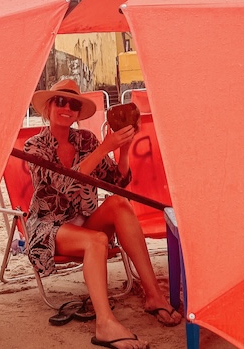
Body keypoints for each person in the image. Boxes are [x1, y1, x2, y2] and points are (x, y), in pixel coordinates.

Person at [24, 79, 182, 349]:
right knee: (95, 239)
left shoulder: (85, 139)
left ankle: (153, 295)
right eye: (60, 101)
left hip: (83, 220)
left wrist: (123, 148)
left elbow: (116, 181)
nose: (66, 107)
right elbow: (60, 185)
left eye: (73, 103)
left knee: (120, 203)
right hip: (49, 228)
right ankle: (105, 324)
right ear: (48, 107)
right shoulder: (33, 147)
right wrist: (102, 148)